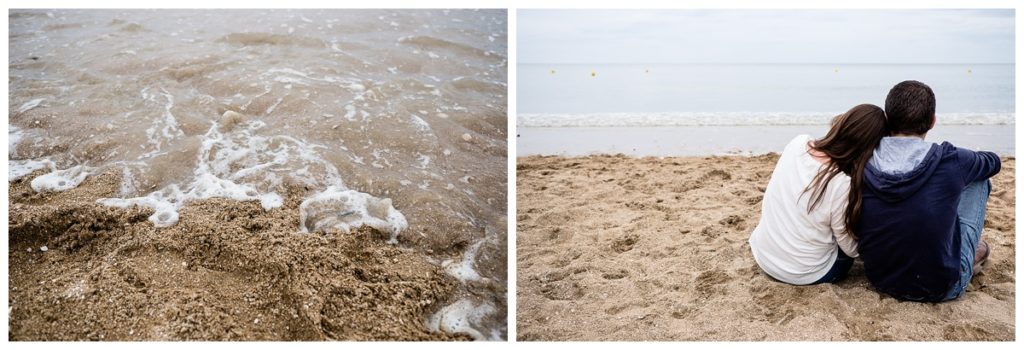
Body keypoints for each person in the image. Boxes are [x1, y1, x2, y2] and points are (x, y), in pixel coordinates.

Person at [857, 80, 1000, 302]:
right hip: (939, 288)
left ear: (887, 120)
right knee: (979, 180)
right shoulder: (952, 159)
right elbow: (993, 162)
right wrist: (963, 162)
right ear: (933, 122)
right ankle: (970, 256)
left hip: (880, 280)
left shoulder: (864, 159)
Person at [749, 104, 888, 285]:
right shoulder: (841, 184)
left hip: (764, 254)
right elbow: (849, 249)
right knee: (845, 252)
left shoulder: (798, 143)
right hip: (803, 273)